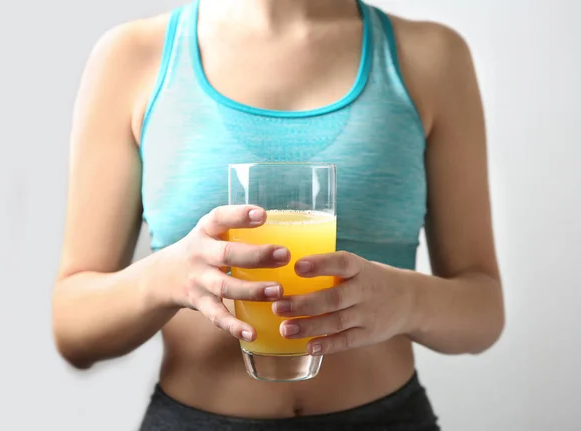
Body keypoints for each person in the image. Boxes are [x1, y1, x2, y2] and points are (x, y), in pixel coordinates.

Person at [52, 0, 505, 429]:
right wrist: (168, 278)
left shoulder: (431, 57)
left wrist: (406, 301)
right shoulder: (133, 57)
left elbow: (483, 311)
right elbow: (74, 330)